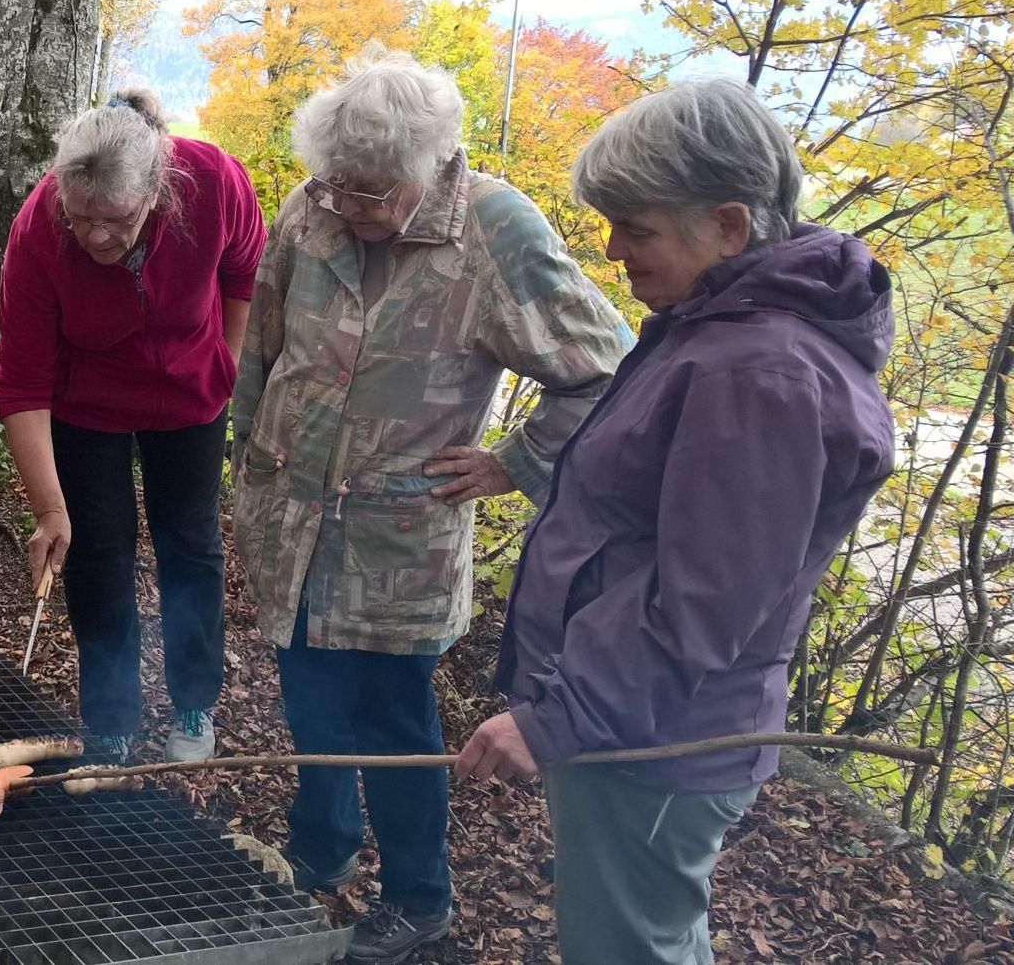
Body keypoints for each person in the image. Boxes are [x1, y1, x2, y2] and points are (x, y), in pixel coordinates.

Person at [456, 80, 896, 964]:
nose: (614, 252)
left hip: (660, 738)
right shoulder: (714, 327)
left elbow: (705, 602)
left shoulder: (756, 372)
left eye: (639, 229)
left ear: (730, 226)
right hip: (641, 721)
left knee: (628, 948)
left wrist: (560, 718)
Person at [231, 51, 633, 963]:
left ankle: (418, 898)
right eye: (339, 188)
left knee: (392, 726)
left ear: (430, 167)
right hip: (290, 522)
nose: (353, 208)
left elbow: (608, 372)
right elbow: (263, 340)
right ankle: (316, 854)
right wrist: (248, 463)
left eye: (375, 194)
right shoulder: (313, 206)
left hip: (397, 543)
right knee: (309, 703)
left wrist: (516, 461)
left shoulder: (495, 229)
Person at [0, 89, 265, 764]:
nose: (94, 236)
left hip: (191, 395)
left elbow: (248, 271)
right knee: (97, 551)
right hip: (87, 401)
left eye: (112, 219)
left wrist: (226, 362)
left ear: (156, 192)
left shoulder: (211, 181)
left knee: (191, 544)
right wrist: (48, 510)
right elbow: (22, 382)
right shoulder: (39, 229)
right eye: (80, 218)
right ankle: (110, 717)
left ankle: (194, 703)